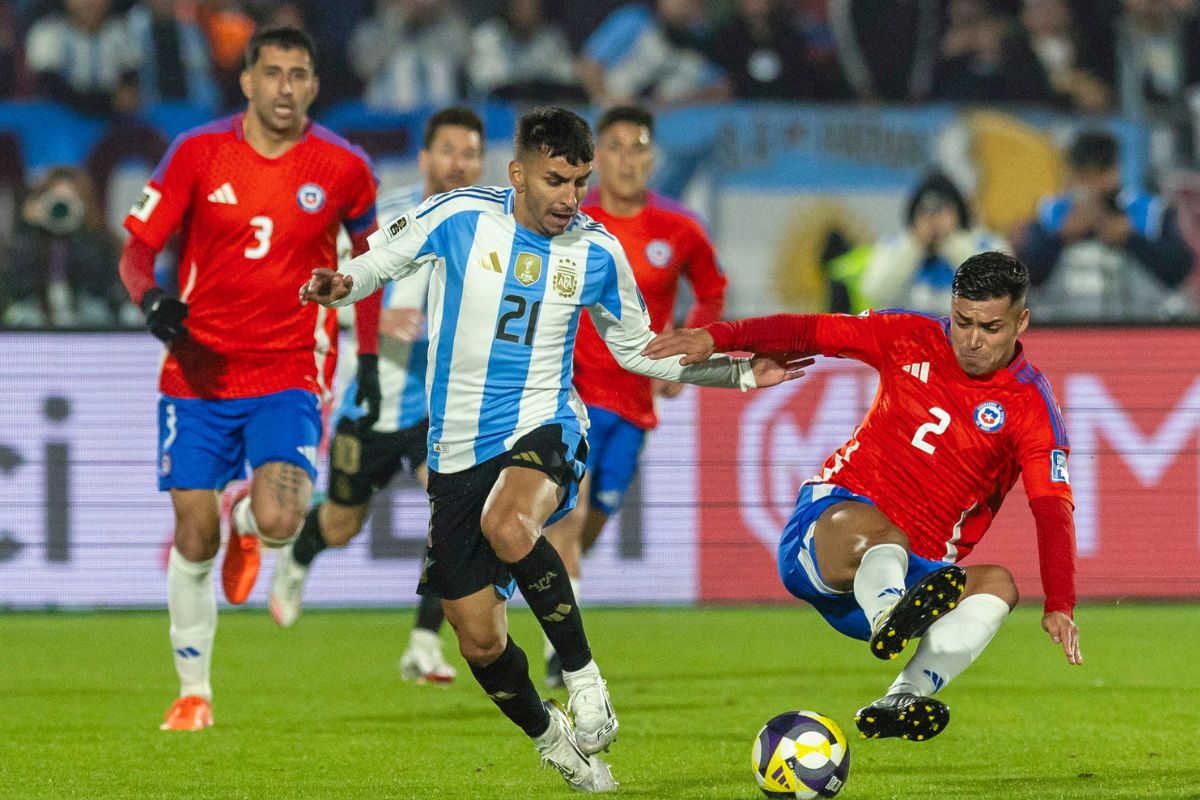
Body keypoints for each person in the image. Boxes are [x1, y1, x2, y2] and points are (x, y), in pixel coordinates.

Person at [299, 106, 805, 791]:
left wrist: (740, 370)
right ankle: (551, 736)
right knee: (476, 636)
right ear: (518, 173)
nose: (570, 197)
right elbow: (379, 262)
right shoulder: (460, 216)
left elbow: (641, 350)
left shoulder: (597, 252)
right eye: (556, 180)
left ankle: (586, 680)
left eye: (579, 181)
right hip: (455, 452)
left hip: (547, 422)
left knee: (509, 523)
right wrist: (339, 287)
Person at [644, 251, 1082, 742]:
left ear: (1021, 321)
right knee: (874, 533)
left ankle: (903, 696)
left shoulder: (1033, 408)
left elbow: (1051, 508)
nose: (973, 340)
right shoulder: (908, 334)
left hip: (914, 575)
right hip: (830, 535)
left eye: (991, 327)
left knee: (997, 585)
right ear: (951, 307)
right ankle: (889, 612)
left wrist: (1059, 602)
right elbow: (811, 330)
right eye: (963, 321)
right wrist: (715, 336)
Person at [117, 27, 381, 732]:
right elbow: (138, 250)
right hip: (198, 372)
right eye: (273, 73)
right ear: (247, 81)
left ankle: (249, 521)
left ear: (315, 85)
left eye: (299, 74)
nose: (286, 88)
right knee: (192, 536)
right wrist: (151, 301)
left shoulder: (345, 168)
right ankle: (193, 691)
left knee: (280, 519)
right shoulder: (198, 153)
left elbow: (374, 264)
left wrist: (375, 356)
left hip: (291, 368)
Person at [268, 106, 486, 687]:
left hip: (440, 412)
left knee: (456, 519)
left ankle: (422, 642)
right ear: (425, 158)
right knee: (341, 525)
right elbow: (338, 291)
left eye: (469, 153)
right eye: (447, 150)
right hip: (372, 403)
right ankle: (298, 557)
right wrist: (387, 322)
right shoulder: (388, 217)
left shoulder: (491, 228)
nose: (457, 163)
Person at [540, 105, 727, 688]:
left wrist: (688, 350)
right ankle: (563, 654)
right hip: (570, 392)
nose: (625, 158)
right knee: (568, 513)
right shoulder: (571, 221)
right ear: (597, 161)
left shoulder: (679, 228)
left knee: (593, 523)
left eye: (636, 146)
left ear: (651, 157)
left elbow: (713, 289)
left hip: (635, 405)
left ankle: (553, 597)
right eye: (613, 146)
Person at [1017, 128, 1195, 321]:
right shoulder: (1050, 214)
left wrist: (1132, 239)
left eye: (1096, 175)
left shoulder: (1150, 212)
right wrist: (1060, 237)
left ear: (1114, 172)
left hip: (1141, 330)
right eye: (1082, 176)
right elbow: (1024, 278)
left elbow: (1180, 270)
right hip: (1063, 333)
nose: (1089, 186)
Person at [859, 170, 1008, 314]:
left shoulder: (985, 244)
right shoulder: (895, 246)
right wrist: (915, 247)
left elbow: (999, 292)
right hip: (908, 334)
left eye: (942, 209)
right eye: (925, 211)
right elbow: (873, 291)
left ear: (958, 211)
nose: (933, 218)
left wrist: (951, 244)